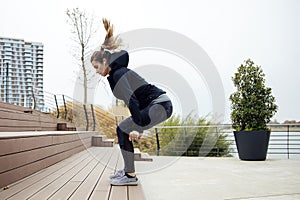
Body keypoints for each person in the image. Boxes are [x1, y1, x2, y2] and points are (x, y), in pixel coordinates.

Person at [91, 19, 173, 186]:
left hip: (159, 105)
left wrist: (138, 125)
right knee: (123, 129)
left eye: (96, 67)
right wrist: (139, 124)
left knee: (122, 129)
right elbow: (136, 100)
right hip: (158, 106)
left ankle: (130, 175)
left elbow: (132, 100)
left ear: (105, 62)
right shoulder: (116, 72)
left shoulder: (117, 74)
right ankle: (128, 172)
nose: (97, 72)